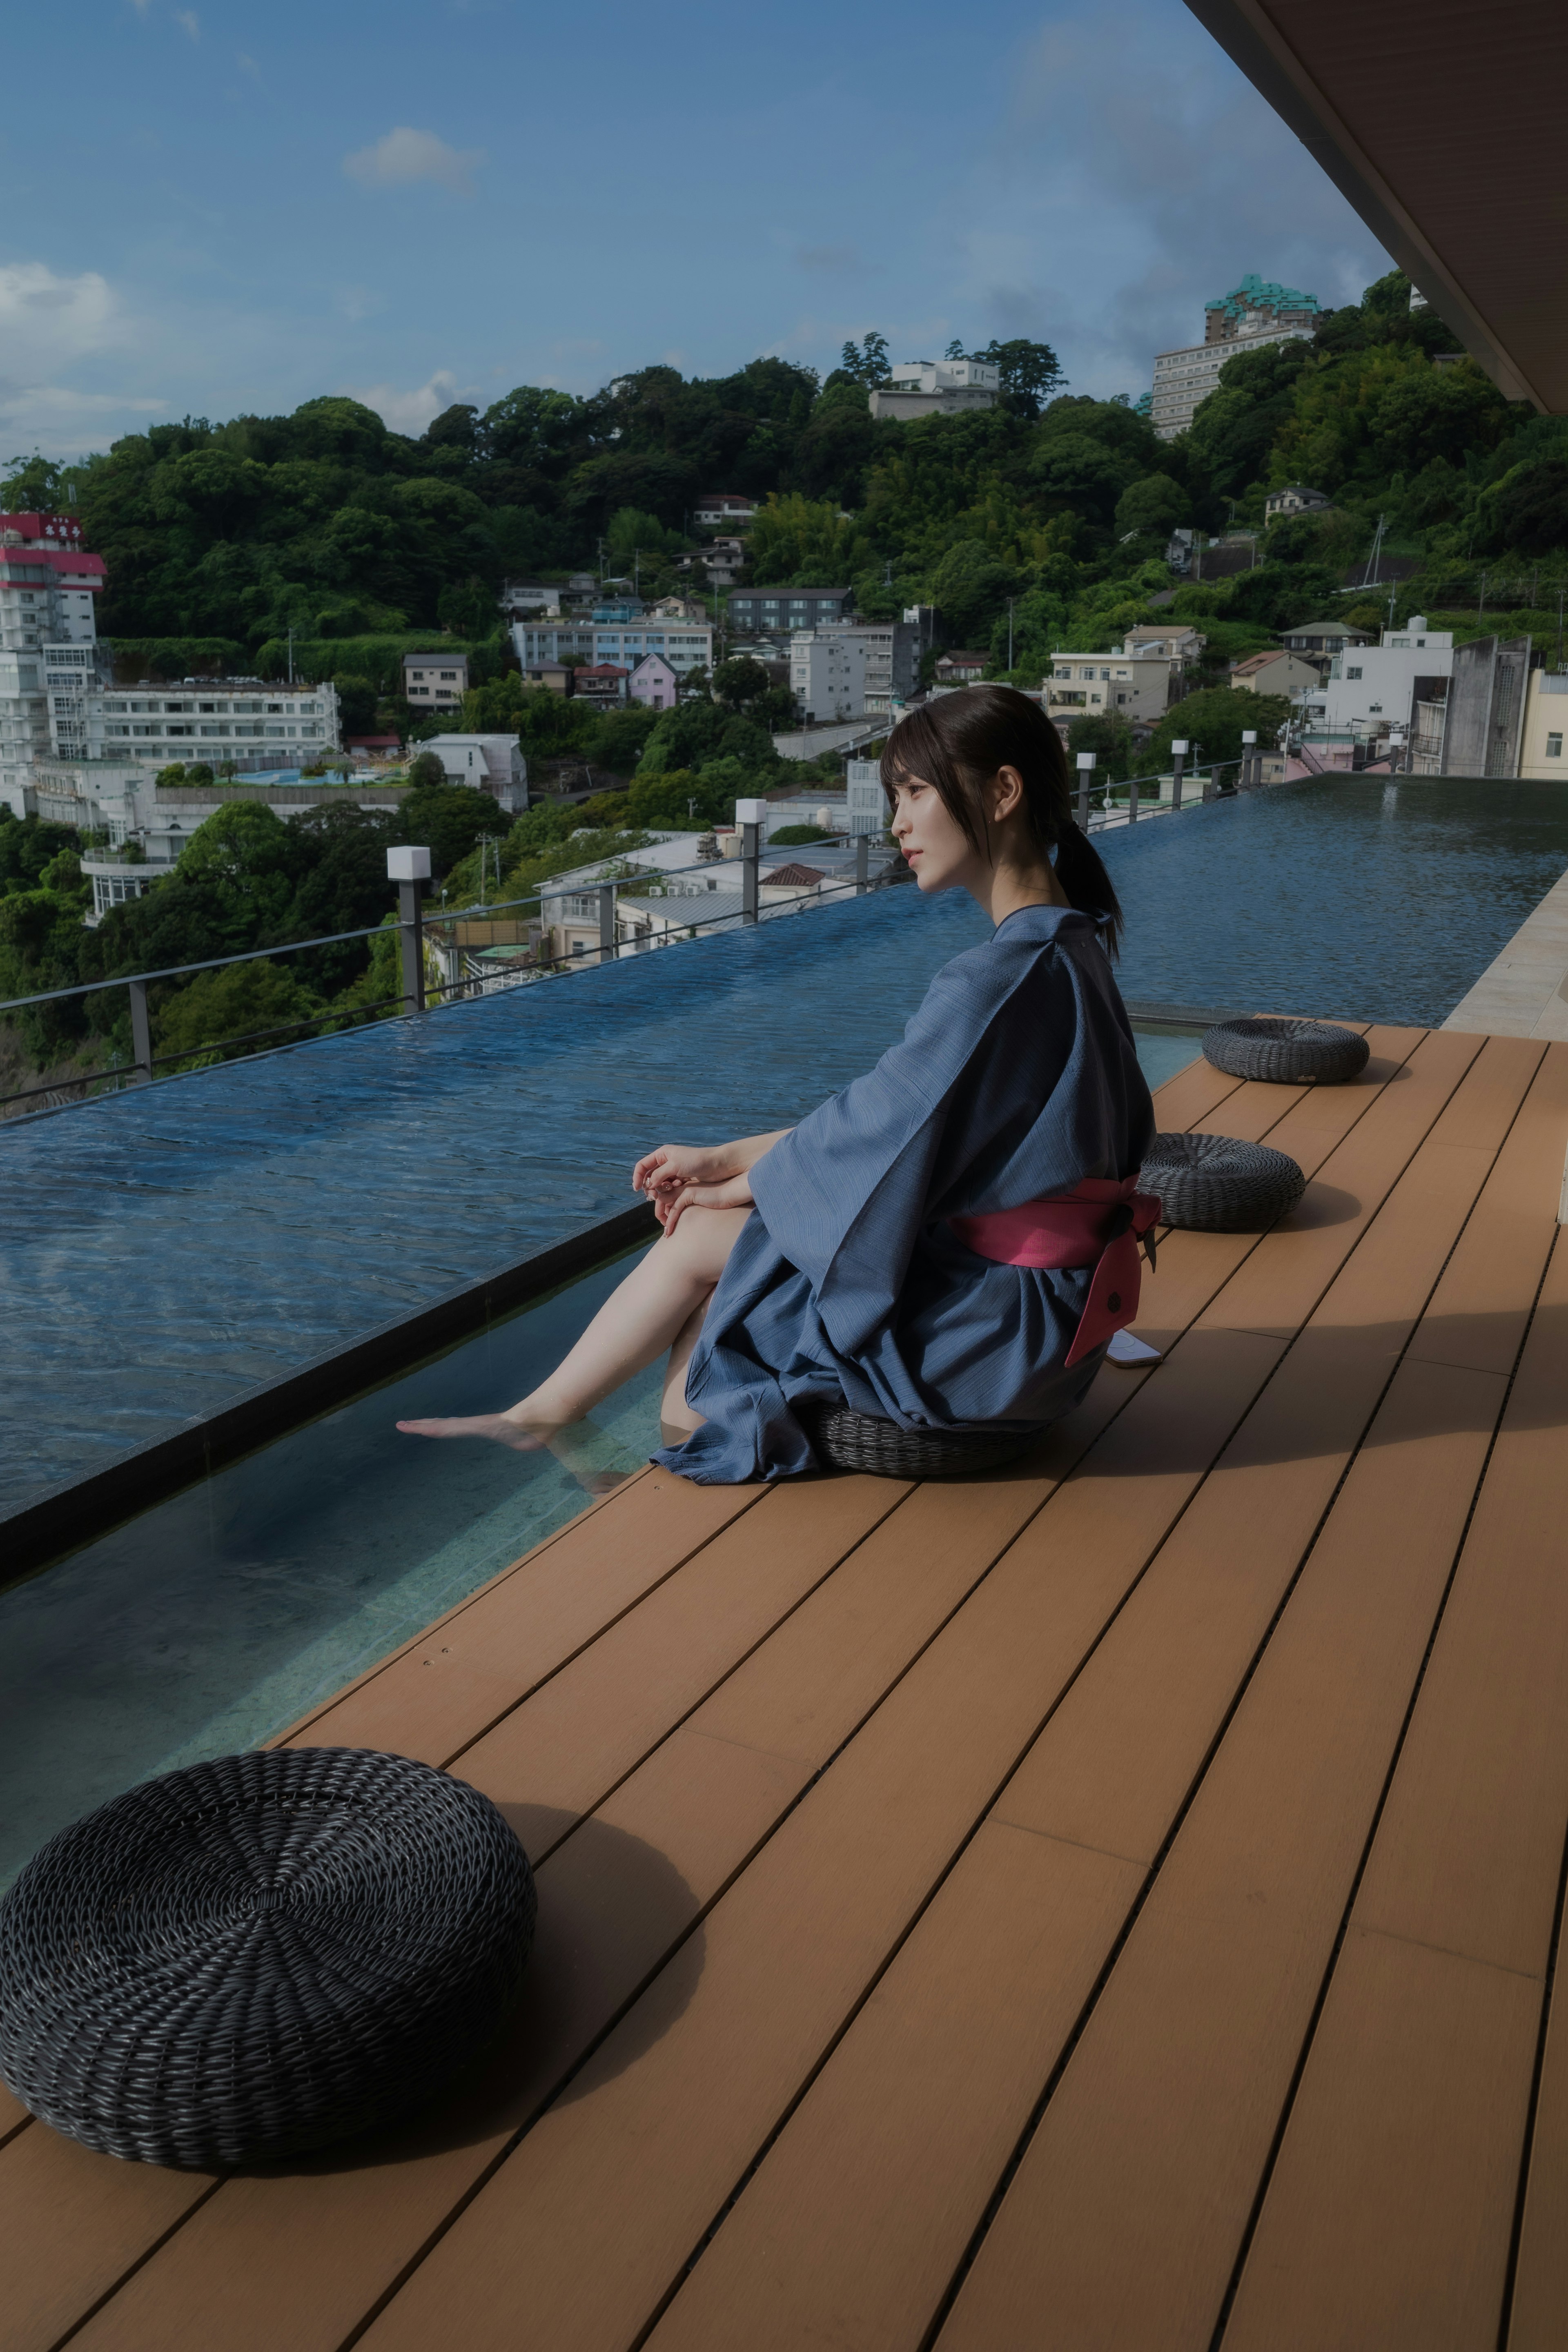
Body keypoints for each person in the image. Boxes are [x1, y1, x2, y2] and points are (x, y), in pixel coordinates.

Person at [398, 684, 1158, 1484]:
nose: (897, 822)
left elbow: (886, 1129)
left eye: (916, 793)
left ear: (1003, 792)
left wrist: (740, 1183)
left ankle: (578, 1443)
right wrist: (731, 1161)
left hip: (995, 1345)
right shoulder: (1071, 950)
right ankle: (554, 1425)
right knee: (729, 1247)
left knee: (708, 1256)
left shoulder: (998, 980)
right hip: (1058, 1319)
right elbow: (891, 1120)